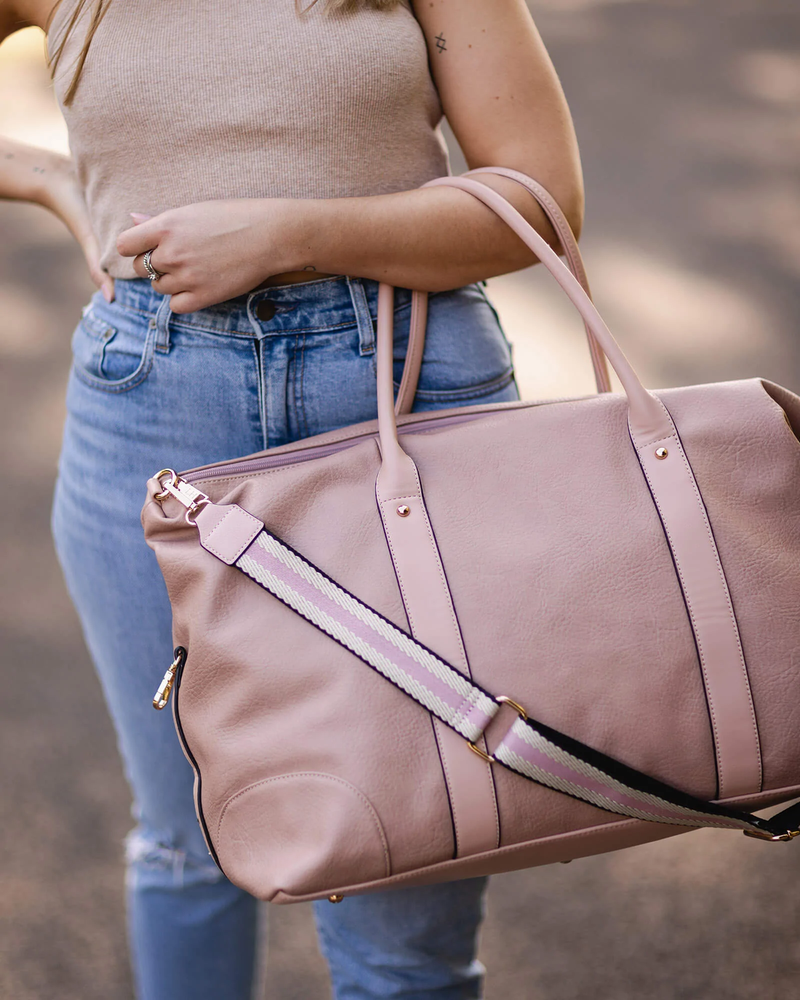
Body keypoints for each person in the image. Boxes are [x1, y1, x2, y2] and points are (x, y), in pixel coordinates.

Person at [0, 1, 584, 997]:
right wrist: (57, 181)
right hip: (153, 402)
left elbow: (540, 200)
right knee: (191, 840)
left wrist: (287, 231)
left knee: (410, 876)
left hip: (402, 390)